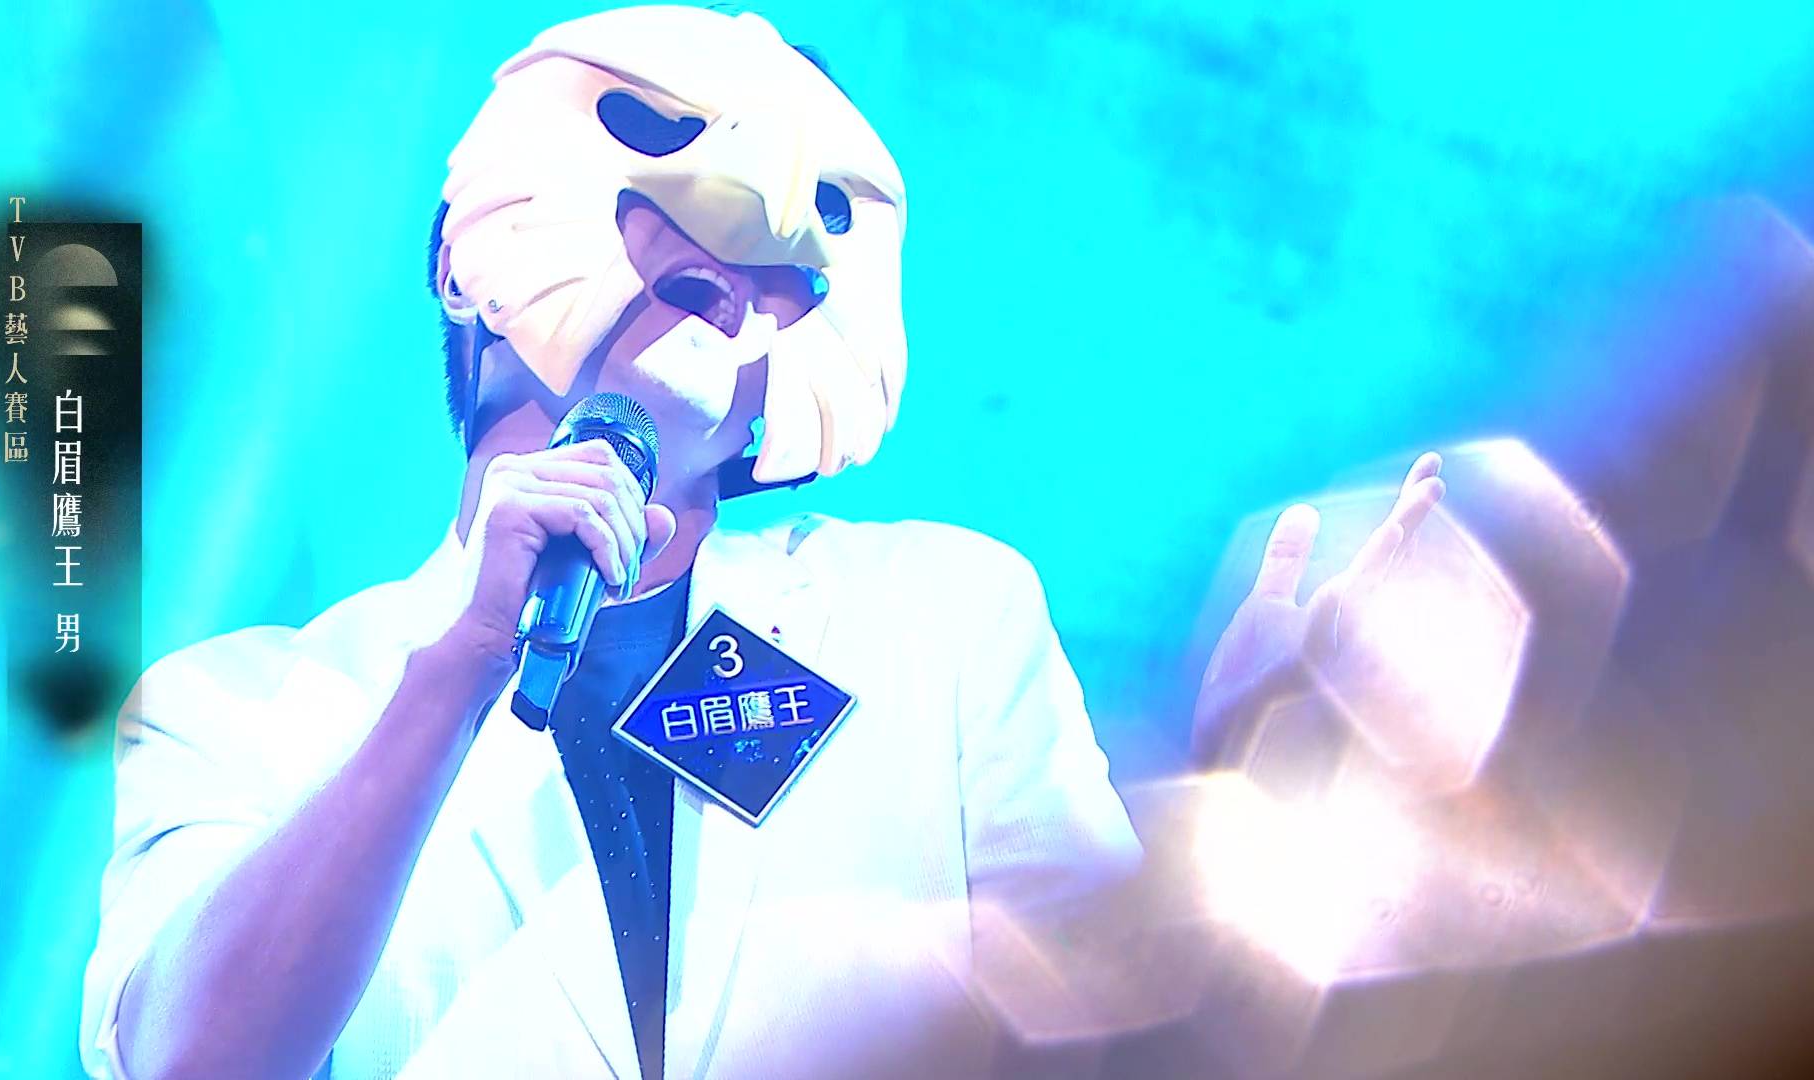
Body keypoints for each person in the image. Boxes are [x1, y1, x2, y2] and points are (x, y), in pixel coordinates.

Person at [80, 7, 1445, 1080]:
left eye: (793, 239)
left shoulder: (937, 621)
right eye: (662, 163)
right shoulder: (239, 711)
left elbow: (1124, 1038)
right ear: (461, 261)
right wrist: (457, 674)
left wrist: (1267, 795)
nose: (745, 237)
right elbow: (189, 1059)